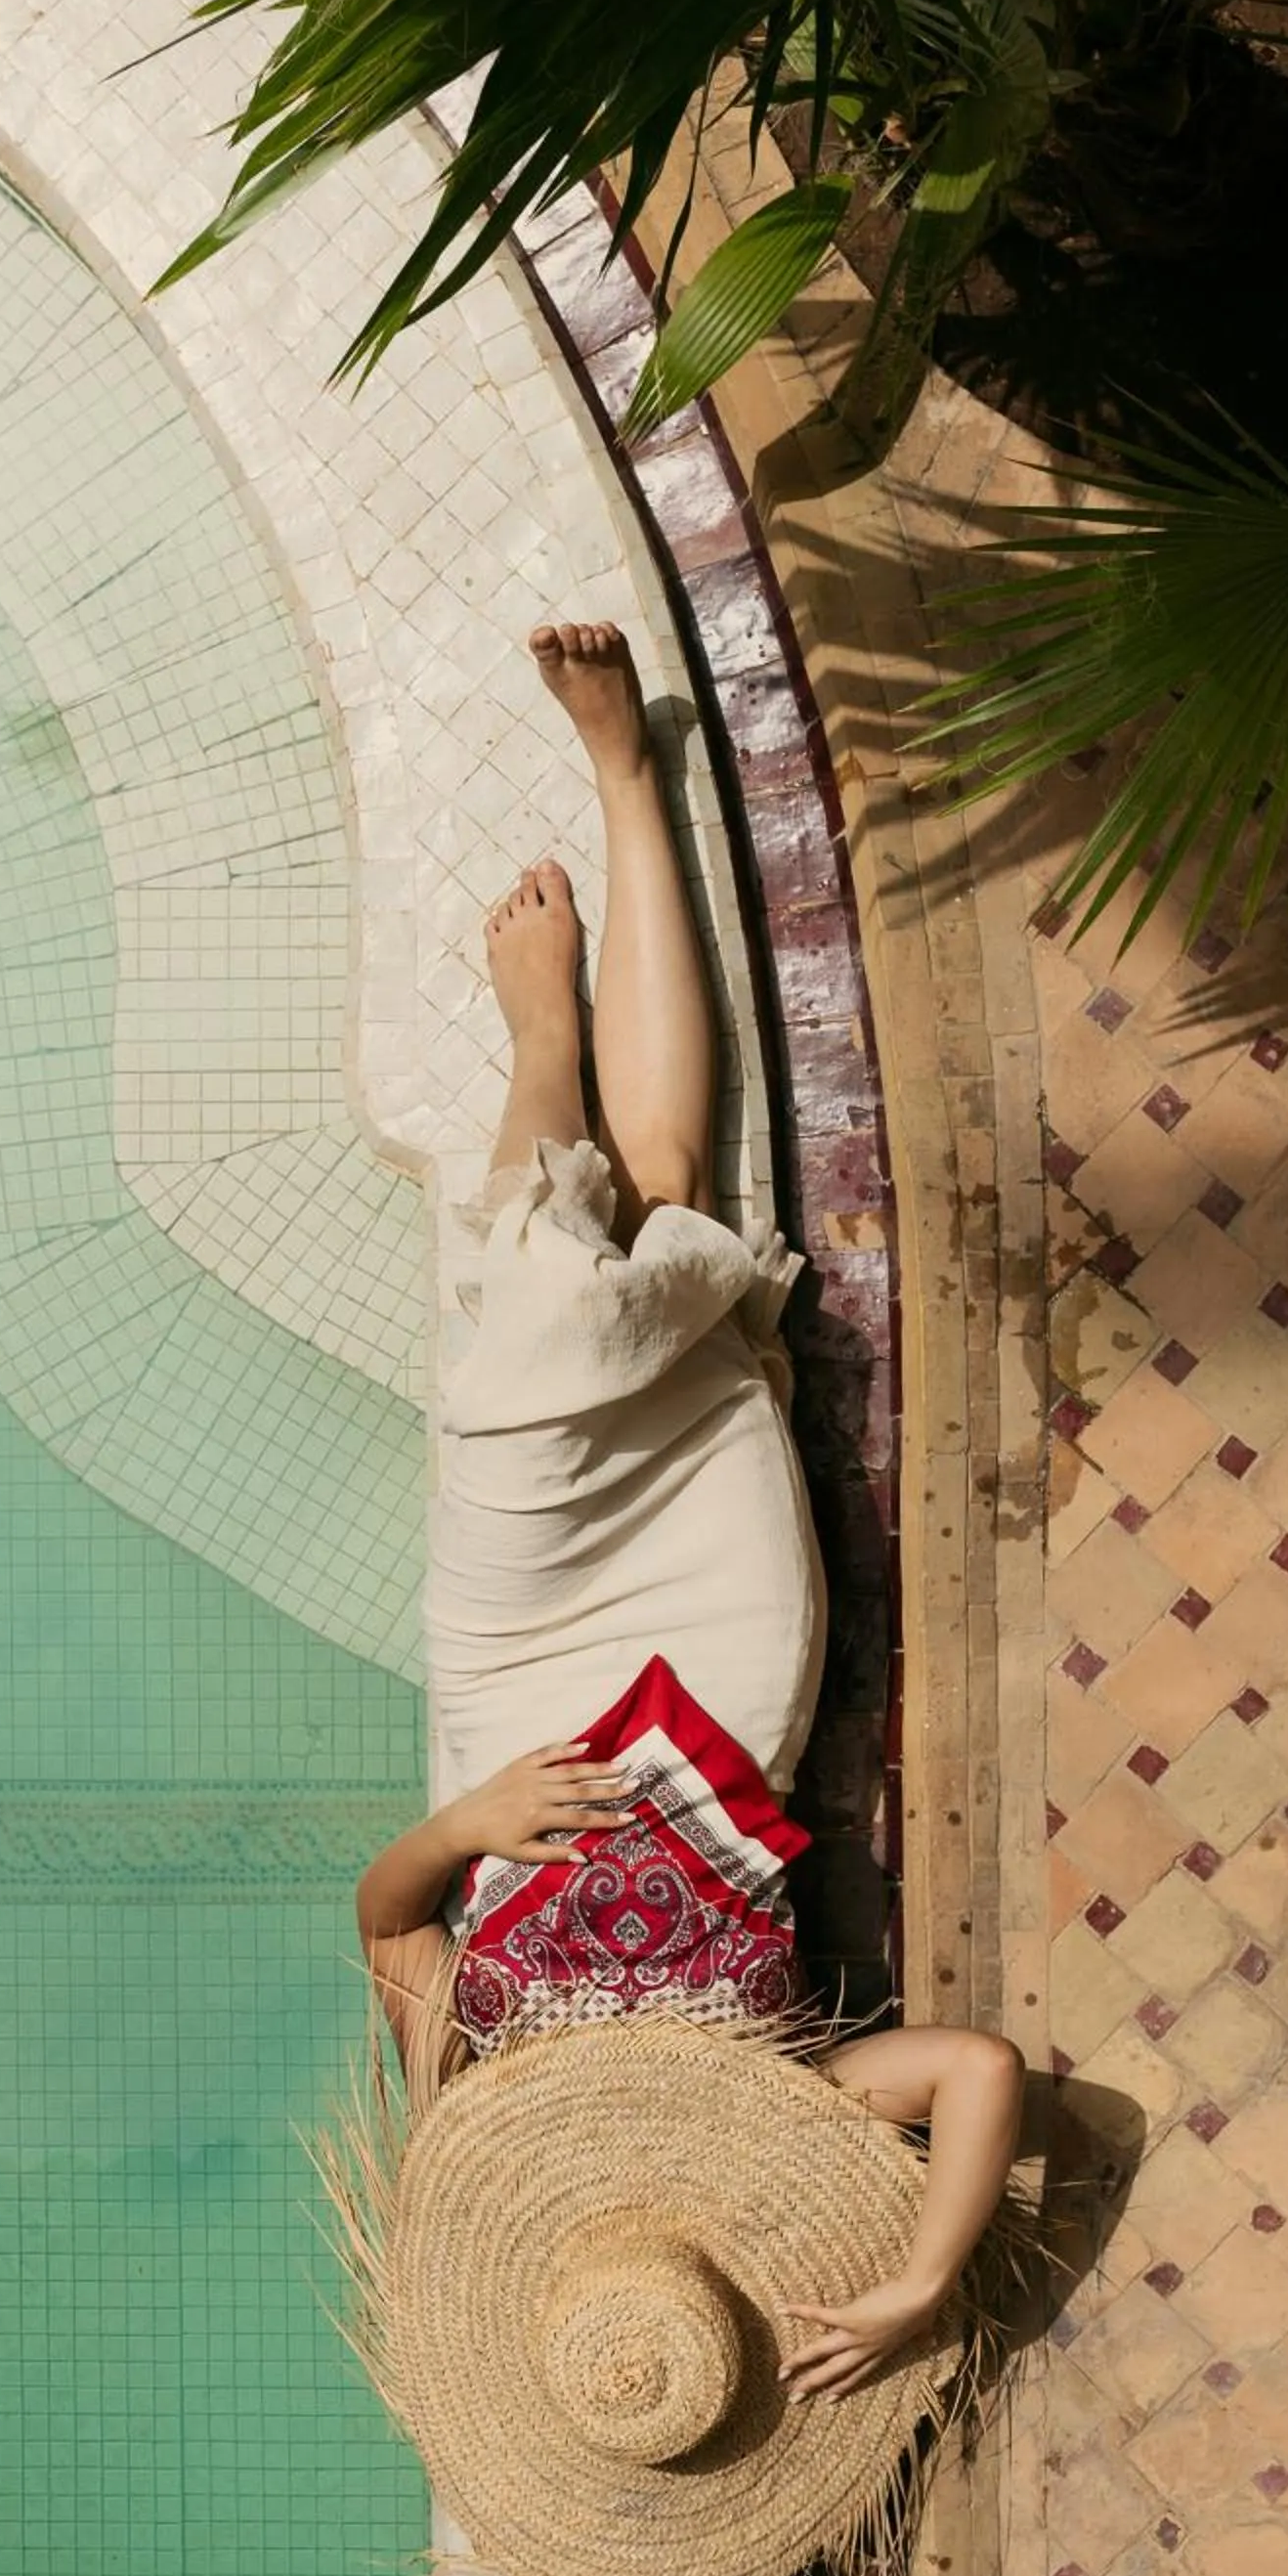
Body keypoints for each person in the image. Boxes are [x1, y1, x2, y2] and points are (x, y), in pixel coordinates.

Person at [355, 623, 1023, 2411]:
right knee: (664, 1237)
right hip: (725, 1677)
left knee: (538, 1336)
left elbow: (387, 1920)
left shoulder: (481, 2137)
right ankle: (626, 786)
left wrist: (475, 1812)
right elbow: (977, 2074)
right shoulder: (770, 2124)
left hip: (516, 1702)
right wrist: (922, 2285)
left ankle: (537, 1051)